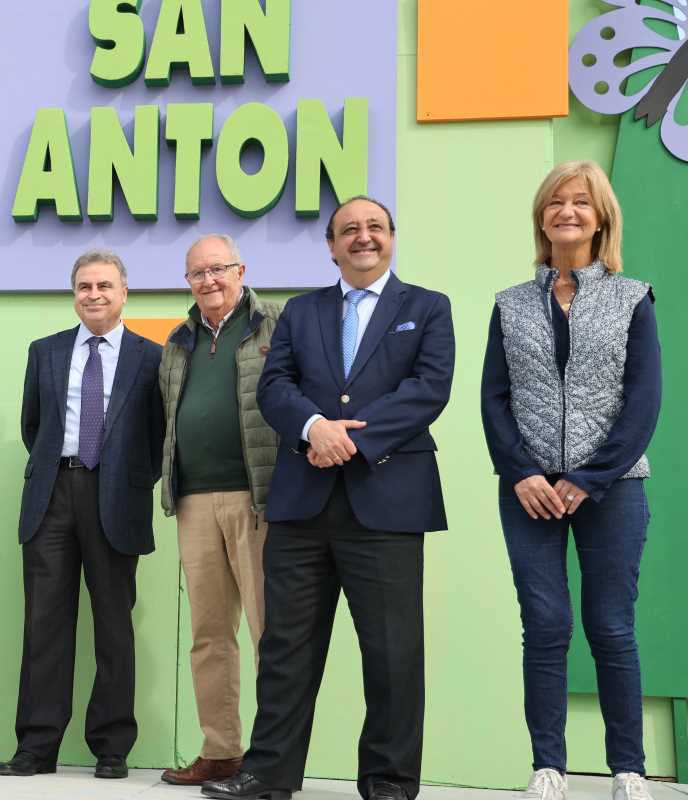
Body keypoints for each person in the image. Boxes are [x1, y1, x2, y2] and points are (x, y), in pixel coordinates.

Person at [203, 197, 455, 800]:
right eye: (349, 230)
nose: (362, 238)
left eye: (373, 228)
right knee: (287, 648)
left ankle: (390, 779)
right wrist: (315, 428)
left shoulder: (427, 307)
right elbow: (276, 386)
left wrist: (346, 440)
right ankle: (268, 774)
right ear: (331, 246)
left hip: (388, 502)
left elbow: (428, 390)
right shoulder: (300, 312)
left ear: (391, 237)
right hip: (302, 503)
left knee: (393, 652)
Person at [480, 161, 660, 800]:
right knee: (546, 624)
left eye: (580, 202)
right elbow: (493, 401)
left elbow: (642, 402)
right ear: (542, 217)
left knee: (611, 625)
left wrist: (589, 477)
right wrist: (522, 472)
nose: (567, 211)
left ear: (601, 216)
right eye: (555, 202)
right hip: (527, 490)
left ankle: (628, 769)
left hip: (612, 489)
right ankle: (548, 767)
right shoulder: (510, 304)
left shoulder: (633, 297)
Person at [0, 249, 164, 780]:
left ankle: (112, 747)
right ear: (75, 293)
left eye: (105, 286)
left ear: (124, 293)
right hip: (52, 494)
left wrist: (129, 479)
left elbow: (159, 435)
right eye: (85, 286)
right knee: (44, 625)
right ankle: (36, 745)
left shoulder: (151, 357)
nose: (94, 294)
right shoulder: (44, 351)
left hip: (116, 498)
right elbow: (34, 426)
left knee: (114, 625)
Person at [157, 234, 280, 787]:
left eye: (218, 269)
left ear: (240, 270)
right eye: (197, 273)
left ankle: (274, 758)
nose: (208, 280)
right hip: (193, 500)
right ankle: (221, 751)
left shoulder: (272, 325)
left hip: (257, 499)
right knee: (209, 633)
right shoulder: (177, 340)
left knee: (267, 632)